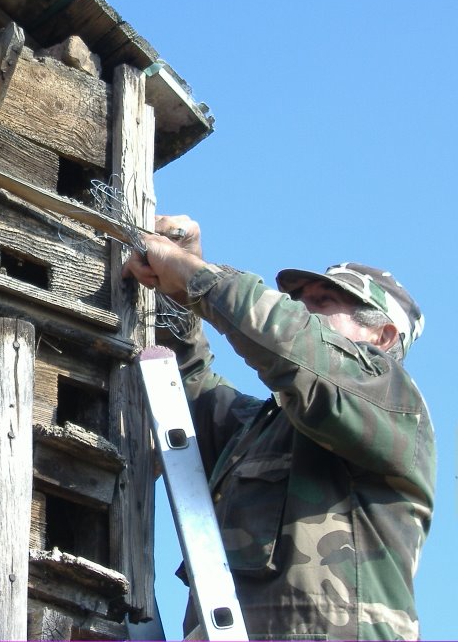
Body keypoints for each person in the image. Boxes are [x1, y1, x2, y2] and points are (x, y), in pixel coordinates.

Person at [122, 215, 435, 641]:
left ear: (382, 336)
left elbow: (294, 343)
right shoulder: (256, 433)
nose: (303, 310)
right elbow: (186, 381)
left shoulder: (393, 400)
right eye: (299, 301)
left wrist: (199, 278)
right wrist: (175, 289)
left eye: (323, 302)